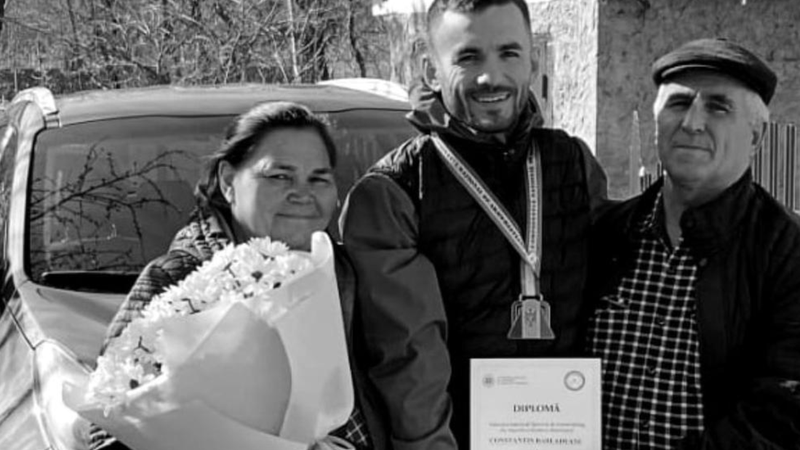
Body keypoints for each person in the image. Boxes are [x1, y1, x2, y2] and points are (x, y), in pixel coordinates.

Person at [339, 1, 608, 449]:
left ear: (533, 62)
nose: (490, 77)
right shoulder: (394, 190)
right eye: (468, 57)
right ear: (431, 70)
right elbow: (408, 357)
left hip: (569, 433)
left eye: (509, 53)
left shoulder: (573, 163)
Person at [88, 102, 388, 450]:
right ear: (229, 181)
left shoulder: (351, 275)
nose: (302, 193)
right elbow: (106, 429)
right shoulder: (176, 280)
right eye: (279, 176)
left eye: (318, 178)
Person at [586, 38, 800, 449]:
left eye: (718, 107)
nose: (692, 123)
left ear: (756, 136)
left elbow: (781, 415)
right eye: (679, 103)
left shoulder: (785, 253)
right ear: (656, 122)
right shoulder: (606, 234)